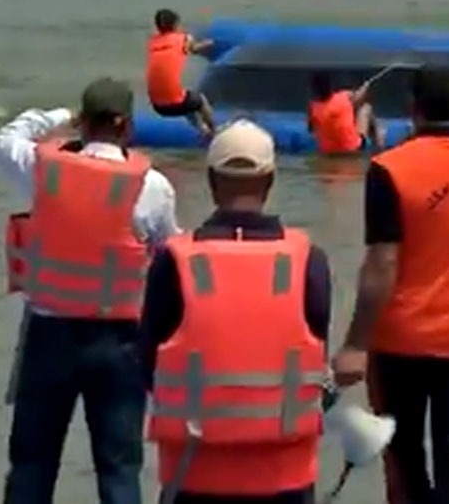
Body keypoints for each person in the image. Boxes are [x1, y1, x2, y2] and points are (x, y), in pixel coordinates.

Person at [331, 65, 449, 504]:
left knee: (403, 458)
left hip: (399, 341)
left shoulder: (389, 169)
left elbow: (382, 262)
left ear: (413, 108)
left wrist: (355, 344)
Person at [0, 77, 180, 504]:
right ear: (126, 126)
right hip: (120, 341)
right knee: (119, 470)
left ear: (83, 122)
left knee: (31, 464)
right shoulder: (152, 186)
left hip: (47, 336)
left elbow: (6, 137)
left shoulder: (42, 170)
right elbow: (170, 257)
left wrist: (58, 116)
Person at [138, 119, 334, 504]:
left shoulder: (174, 261)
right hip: (285, 476)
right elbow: (316, 357)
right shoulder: (307, 260)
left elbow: (148, 364)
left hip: (194, 473)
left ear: (211, 181)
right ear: (270, 180)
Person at [146, 8, 217, 138]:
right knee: (200, 100)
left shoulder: (152, 42)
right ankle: (215, 131)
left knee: (186, 99)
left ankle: (203, 131)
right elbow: (194, 49)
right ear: (175, 24)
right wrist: (210, 43)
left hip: (156, 104)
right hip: (174, 104)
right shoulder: (183, 38)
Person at [307, 71, 385, 155]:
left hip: (328, 152)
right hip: (353, 149)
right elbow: (360, 97)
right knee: (366, 108)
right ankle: (380, 143)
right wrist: (365, 86)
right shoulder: (344, 97)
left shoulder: (313, 107)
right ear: (329, 86)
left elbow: (311, 129)